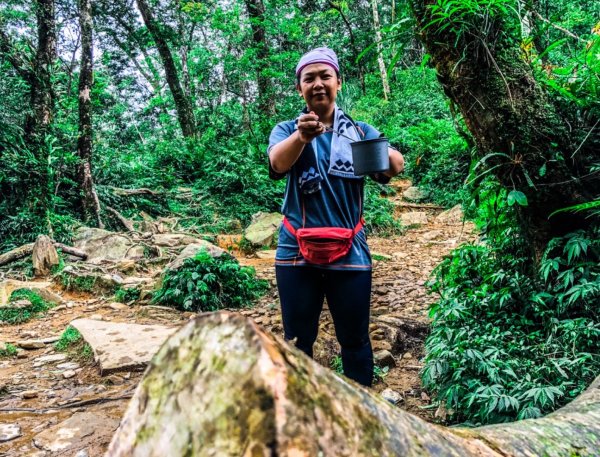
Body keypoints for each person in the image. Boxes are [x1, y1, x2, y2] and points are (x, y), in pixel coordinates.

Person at [267, 47, 404, 387]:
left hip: (350, 250)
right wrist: (302, 137)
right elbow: (277, 163)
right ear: (299, 88)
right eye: (308, 78)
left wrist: (368, 147)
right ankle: (301, 411)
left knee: (355, 339)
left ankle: (362, 411)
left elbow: (395, 165)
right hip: (296, 250)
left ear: (338, 83)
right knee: (297, 341)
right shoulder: (286, 129)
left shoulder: (359, 130)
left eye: (324, 76)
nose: (317, 84)